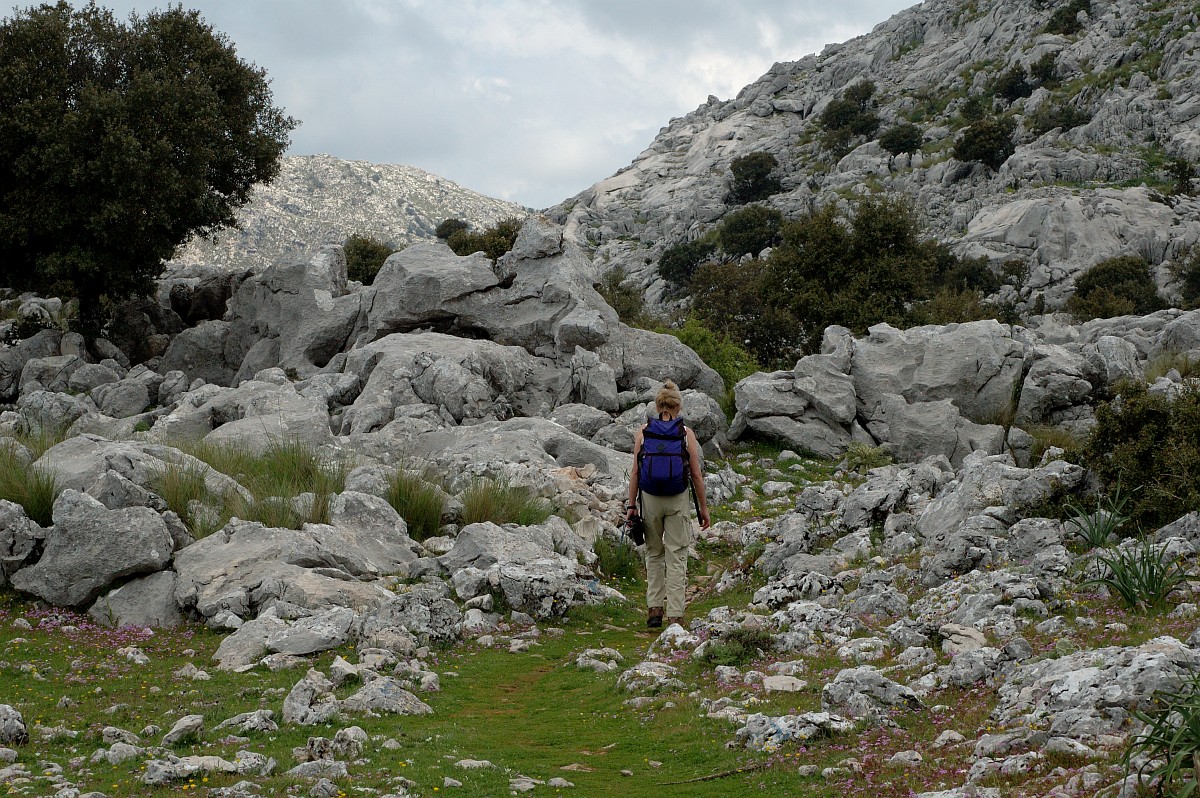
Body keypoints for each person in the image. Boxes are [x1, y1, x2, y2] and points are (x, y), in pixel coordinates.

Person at [626, 380, 710, 629]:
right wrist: (703, 508)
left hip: (650, 499)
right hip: (677, 499)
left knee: (654, 552)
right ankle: (675, 614)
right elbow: (696, 475)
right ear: (677, 407)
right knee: (677, 554)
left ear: (657, 405)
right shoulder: (685, 433)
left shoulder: (644, 432)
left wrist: (631, 506)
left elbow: (635, 472)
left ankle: (654, 610)